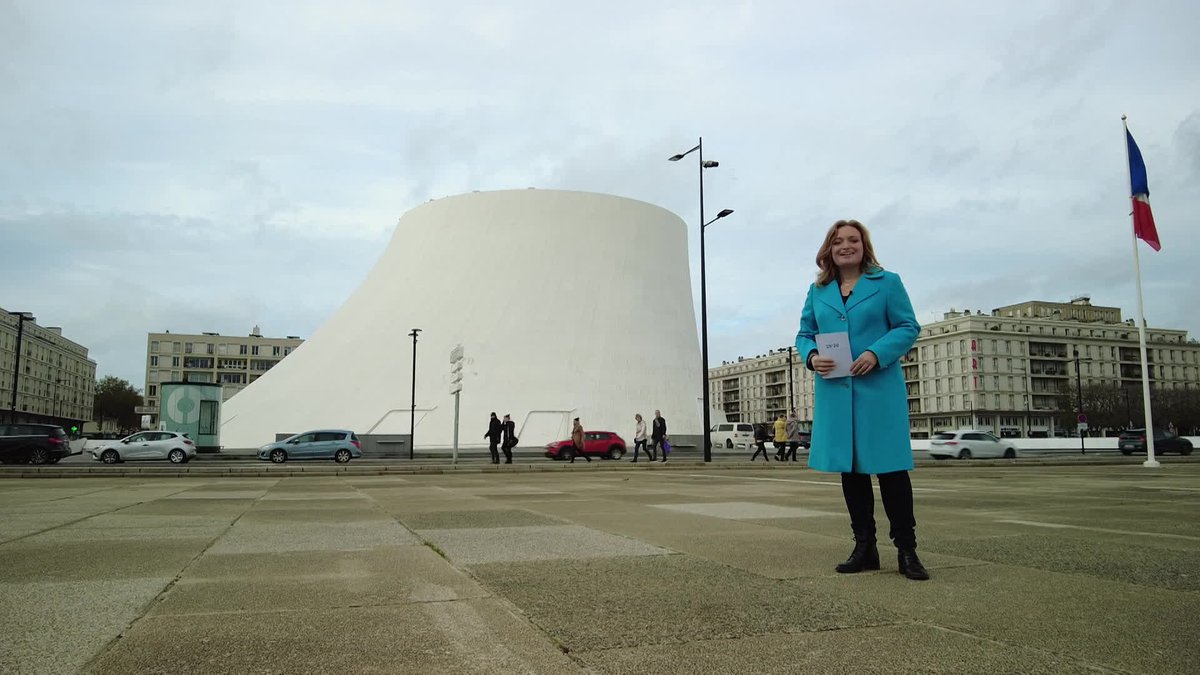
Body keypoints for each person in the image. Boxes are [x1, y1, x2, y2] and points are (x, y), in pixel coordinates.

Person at [796, 219, 927, 581]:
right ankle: (864, 547)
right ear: (829, 249)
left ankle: (907, 549)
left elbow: (907, 326)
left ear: (864, 245)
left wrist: (875, 352)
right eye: (838, 241)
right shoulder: (818, 290)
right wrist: (810, 356)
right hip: (837, 391)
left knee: (891, 471)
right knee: (851, 473)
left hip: (878, 389)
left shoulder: (888, 283)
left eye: (853, 240)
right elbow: (805, 332)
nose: (846, 246)